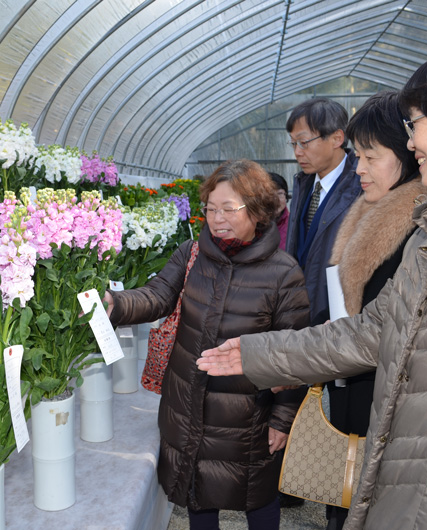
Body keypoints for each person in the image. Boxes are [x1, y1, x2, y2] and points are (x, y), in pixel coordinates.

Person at [197, 41, 427, 530]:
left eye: (416, 123)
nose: (412, 141)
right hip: (415, 485)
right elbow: (370, 331)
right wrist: (255, 355)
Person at [104, 159, 309, 530]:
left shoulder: (284, 274)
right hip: (189, 404)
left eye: (229, 209)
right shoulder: (191, 255)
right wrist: (115, 305)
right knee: (196, 496)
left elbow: (293, 357)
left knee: (258, 498)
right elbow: (156, 295)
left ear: (258, 210)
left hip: (247, 416)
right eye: (211, 209)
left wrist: (282, 420)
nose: (217, 219)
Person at [323, 91, 427, 530]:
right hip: (352, 387)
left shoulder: (422, 228)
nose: (359, 168)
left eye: (370, 156)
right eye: (357, 156)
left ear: (407, 154)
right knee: (344, 496)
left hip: (389, 406)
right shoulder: (365, 211)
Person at [285, 98, 362, 325]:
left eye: (304, 142)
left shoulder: (362, 186)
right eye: (293, 144)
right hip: (299, 308)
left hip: (336, 318)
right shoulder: (304, 184)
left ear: (337, 138)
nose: (298, 152)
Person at [268, 172, 290, 250]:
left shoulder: (294, 224)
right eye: (270, 194)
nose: (275, 199)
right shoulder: (252, 224)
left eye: (280, 193)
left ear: (286, 196)